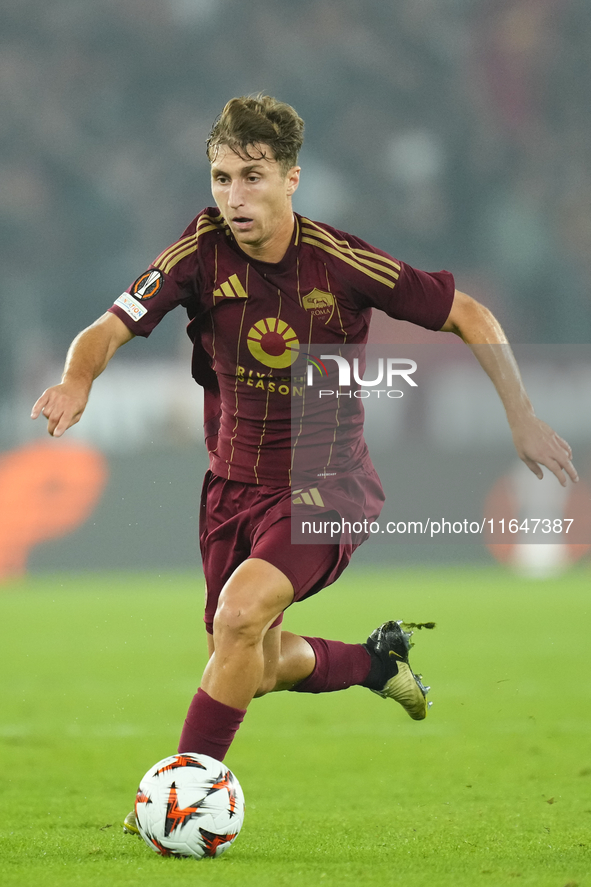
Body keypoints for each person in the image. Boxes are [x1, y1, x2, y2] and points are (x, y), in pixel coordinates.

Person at [31, 95, 577, 832]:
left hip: (326, 479)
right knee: (247, 660)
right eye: (221, 178)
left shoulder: (341, 262)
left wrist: (519, 412)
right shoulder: (198, 253)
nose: (234, 196)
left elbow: (468, 314)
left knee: (239, 615)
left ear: (291, 179)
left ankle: (180, 795)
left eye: (252, 177)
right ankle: (377, 663)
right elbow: (109, 326)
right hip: (231, 483)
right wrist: (78, 377)